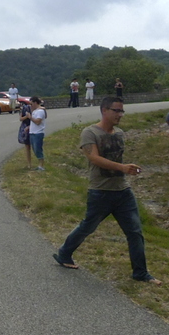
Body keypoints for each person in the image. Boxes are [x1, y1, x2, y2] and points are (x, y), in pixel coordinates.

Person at [52, 96, 161, 285]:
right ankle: (64, 253)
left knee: (135, 232)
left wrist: (129, 169)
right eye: (116, 110)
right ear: (104, 110)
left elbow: (118, 160)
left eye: (122, 111)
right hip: (100, 191)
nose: (120, 114)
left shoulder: (119, 133)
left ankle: (140, 273)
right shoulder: (89, 133)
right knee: (88, 226)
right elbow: (94, 158)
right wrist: (122, 167)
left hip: (123, 191)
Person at [28, 96, 46, 171]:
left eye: (31, 104)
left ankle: (41, 165)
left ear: (35, 103)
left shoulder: (40, 111)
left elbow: (38, 122)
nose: (31, 105)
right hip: (32, 132)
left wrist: (30, 117)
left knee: (38, 149)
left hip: (38, 133)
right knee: (34, 149)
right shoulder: (35, 111)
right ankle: (39, 165)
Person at [17, 98, 33, 169]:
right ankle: (29, 163)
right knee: (27, 146)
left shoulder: (35, 109)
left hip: (32, 126)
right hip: (25, 126)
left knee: (34, 146)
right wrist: (27, 116)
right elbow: (20, 119)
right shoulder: (24, 109)